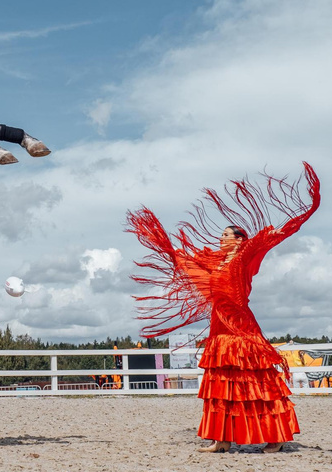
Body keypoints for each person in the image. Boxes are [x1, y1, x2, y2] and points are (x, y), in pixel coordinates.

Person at [126, 163, 320, 454]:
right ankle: (222, 440)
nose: (221, 239)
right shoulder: (216, 262)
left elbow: (267, 240)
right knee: (221, 384)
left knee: (256, 382)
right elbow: (191, 265)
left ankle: (275, 436)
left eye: (226, 235)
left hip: (240, 326)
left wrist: (297, 218)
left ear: (238, 240)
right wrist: (167, 247)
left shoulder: (244, 257)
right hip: (220, 326)